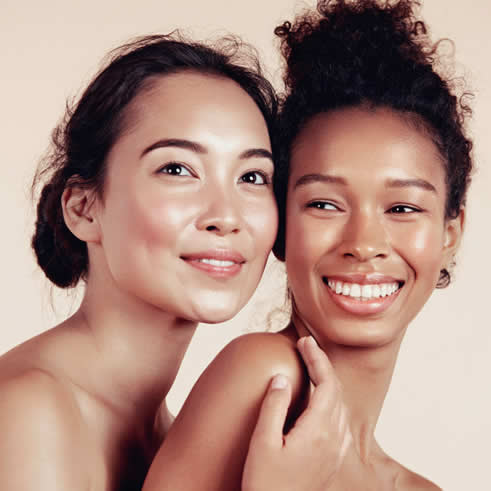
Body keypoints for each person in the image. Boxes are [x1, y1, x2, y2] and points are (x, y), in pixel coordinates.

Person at [142, 0, 473, 489]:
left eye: (402, 208)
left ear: (449, 235)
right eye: (324, 204)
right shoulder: (266, 379)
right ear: (282, 228)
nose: (364, 244)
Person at [0, 33, 349, 490]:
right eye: (177, 169)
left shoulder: (170, 435)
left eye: (252, 176)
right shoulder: (29, 414)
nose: (226, 216)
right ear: (84, 208)